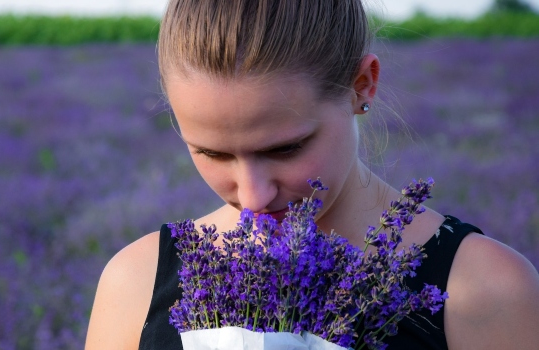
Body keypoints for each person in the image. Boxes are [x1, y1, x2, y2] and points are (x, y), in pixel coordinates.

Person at [85, 0, 539, 349]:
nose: (254, 196)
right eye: (212, 153)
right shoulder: (136, 283)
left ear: (362, 86)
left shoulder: (486, 291)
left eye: (285, 148)